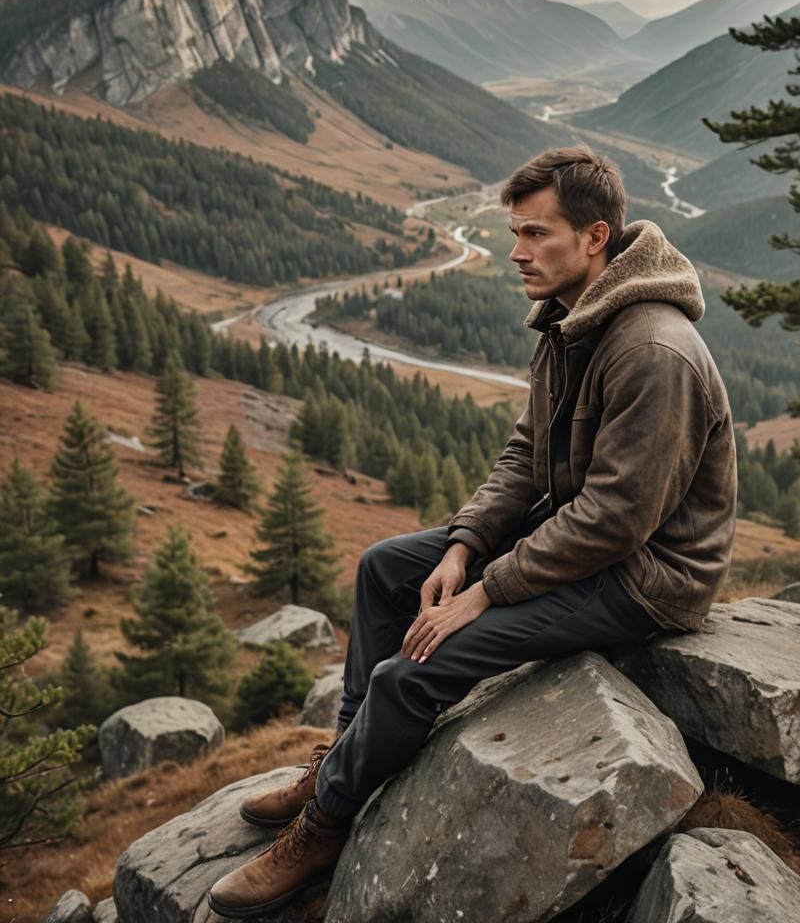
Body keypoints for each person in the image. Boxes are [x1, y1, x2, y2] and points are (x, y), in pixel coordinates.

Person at [207, 145, 737, 918]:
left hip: (647, 577)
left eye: (534, 234)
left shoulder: (652, 349)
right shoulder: (571, 317)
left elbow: (618, 521)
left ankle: (325, 826)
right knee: (387, 569)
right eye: (514, 233)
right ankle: (339, 768)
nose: (516, 253)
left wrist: (487, 589)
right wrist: (463, 544)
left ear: (595, 237)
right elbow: (528, 453)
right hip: (578, 537)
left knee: (418, 664)